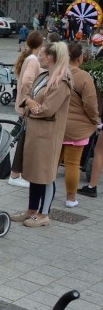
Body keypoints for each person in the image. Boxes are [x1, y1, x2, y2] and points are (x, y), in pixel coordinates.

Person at [11, 42, 72, 227]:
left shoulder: (61, 81)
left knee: (45, 174)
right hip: (35, 132)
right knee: (34, 173)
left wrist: (29, 103)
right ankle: (31, 210)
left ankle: (44, 214)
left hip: (48, 135)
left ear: (50, 58)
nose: (38, 59)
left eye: (41, 56)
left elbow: (46, 109)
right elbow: (28, 96)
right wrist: (29, 102)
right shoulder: (45, 76)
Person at [61, 42, 100, 207]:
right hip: (77, 129)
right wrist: (95, 120)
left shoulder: (57, 73)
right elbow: (90, 105)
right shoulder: (84, 77)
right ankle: (71, 198)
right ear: (79, 57)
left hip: (56, 125)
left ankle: (44, 192)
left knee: (52, 162)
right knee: (72, 163)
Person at [8, 31, 44, 188]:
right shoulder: (33, 60)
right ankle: (15, 174)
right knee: (22, 141)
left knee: (20, 139)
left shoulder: (30, 58)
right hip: (27, 107)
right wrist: (31, 99)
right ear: (41, 44)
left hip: (24, 106)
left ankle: (17, 173)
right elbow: (27, 82)